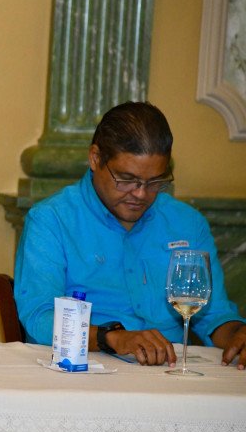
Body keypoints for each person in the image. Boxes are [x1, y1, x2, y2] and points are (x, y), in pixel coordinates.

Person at [14, 101, 246, 369]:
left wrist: (238, 335)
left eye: (155, 182)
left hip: (168, 373)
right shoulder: (52, 220)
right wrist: (112, 338)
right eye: (126, 179)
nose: (140, 194)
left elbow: (214, 315)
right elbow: (39, 318)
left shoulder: (187, 223)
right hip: (86, 371)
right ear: (95, 158)